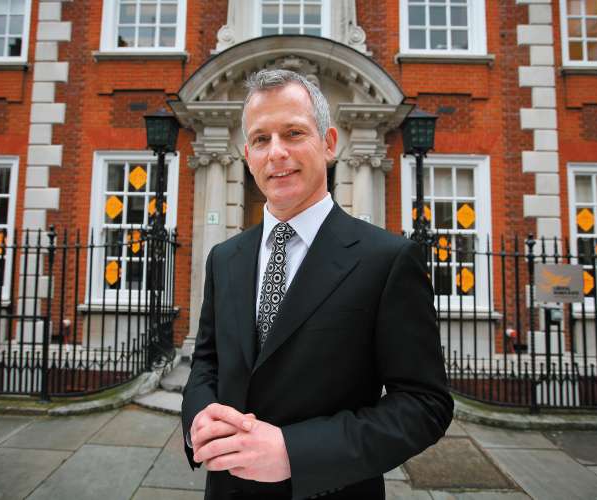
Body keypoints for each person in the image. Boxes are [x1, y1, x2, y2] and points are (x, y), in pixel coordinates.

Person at [181, 69, 453, 500]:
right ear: (246, 154)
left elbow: (424, 405)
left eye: (293, 133)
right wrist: (198, 420)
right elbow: (207, 364)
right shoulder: (225, 259)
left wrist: (295, 452)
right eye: (260, 139)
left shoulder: (386, 259)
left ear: (328, 143)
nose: (276, 153)